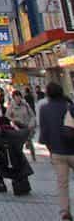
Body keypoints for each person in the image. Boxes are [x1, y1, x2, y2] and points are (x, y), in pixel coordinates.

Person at [39, 81, 74, 220]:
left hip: (57, 152)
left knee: (62, 184)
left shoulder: (44, 109)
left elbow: (44, 133)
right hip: (72, 149)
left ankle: (65, 211)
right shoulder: (69, 106)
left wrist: (51, 149)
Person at [0, 115, 33, 195]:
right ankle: (22, 183)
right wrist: (17, 123)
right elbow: (27, 129)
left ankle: (0, 184)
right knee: (21, 156)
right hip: (19, 166)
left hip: (3, 167)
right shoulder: (18, 134)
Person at [7, 89, 37, 162]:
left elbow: (32, 115)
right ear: (13, 98)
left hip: (26, 126)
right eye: (16, 97)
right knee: (18, 142)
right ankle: (19, 157)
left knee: (29, 141)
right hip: (17, 126)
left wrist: (31, 124)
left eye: (19, 96)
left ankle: (33, 156)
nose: (18, 98)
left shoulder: (26, 105)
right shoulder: (11, 106)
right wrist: (13, 120)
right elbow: (7, 116)